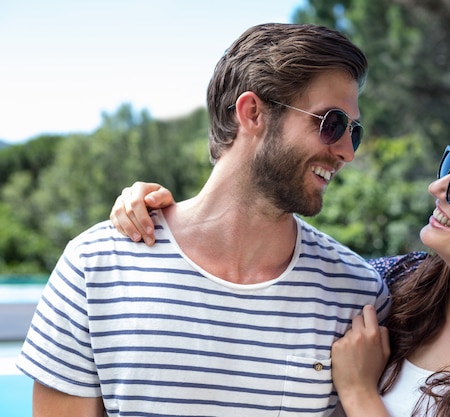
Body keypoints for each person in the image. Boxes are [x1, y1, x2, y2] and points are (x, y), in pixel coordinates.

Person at [112, 111, 450, 416]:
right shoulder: (390, 284)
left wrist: (360, 395)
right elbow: (276, 265)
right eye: (449, 165)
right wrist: (171, 214)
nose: (438, 188)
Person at [17, 23, 390, 417]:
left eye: (354, 131)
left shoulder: (357, 297)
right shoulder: (94, 267)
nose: (347, 152)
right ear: (252, 113)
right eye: (331, 124)